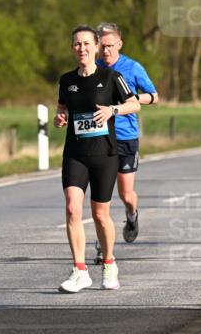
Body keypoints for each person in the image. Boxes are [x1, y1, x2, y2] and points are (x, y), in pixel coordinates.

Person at [55, 26, 140, 293]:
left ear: (95, 47)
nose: (82, 48)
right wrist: (60, 118)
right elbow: (62, 108)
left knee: (100, 214)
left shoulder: (111, 76)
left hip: (104, 154)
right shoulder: (66, 79)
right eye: (77, 44)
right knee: (72, 208)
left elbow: (134, 103)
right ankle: (79, 270)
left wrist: (113, 110)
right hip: (76, 153)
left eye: (86, 44)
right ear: (73, 48)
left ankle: (109, 263)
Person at [95, 23, 159, 255]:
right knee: (102, 194)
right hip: (100, 136)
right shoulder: (94, 67)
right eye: (102, 47)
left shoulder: (132, 67)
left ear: (119, 44)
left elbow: (154, 96)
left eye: (110, 46)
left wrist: (129, 99)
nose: (106, 52)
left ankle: (132, 215)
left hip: (125, 137)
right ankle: (104, 243)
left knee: (125, 194)